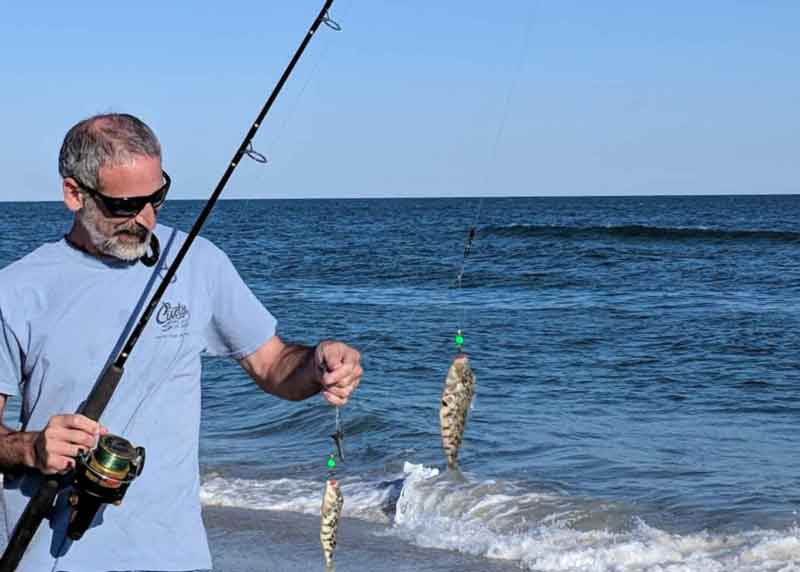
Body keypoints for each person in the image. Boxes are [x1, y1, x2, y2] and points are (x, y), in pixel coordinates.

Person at [0, 113, 362, 572]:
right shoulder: (16, 290)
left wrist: (318, 364)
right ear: (75, 194)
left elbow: (274, 366)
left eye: (157, 198)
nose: (146, 218)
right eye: (124, 205)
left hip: (175, 556)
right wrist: (30, 448)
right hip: (44, 557)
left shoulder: (197, 262)